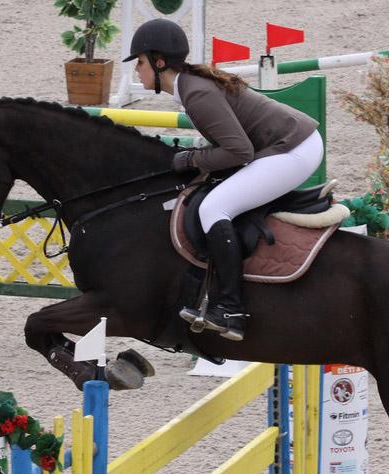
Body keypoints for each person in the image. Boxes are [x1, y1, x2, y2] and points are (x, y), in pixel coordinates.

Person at [124, 19, 323, 342]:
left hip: (293, 150)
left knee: (214, 207)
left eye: (140, 62)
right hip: (285, 144)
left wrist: (191, 159)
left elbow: (238, 151)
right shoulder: (190, 87)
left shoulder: (196, 93)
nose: (137, 70)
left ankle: (231, 310)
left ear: (159, 63)